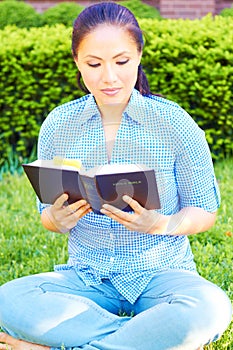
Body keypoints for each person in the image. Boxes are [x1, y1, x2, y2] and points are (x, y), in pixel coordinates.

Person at [0, 2, 232, 350]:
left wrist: (160, 224)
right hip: (86, 279)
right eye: (94, 64)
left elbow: (204, 211)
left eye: (121, 61)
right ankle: (142, 337)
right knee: (9, 299)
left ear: (138, 56)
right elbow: (46, 215)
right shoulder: (58, 126)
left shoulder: (174, 123)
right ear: (77, 62)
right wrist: (56, 218)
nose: (109, 77)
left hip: (162, 276)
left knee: (209, 308)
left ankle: (75, 345)